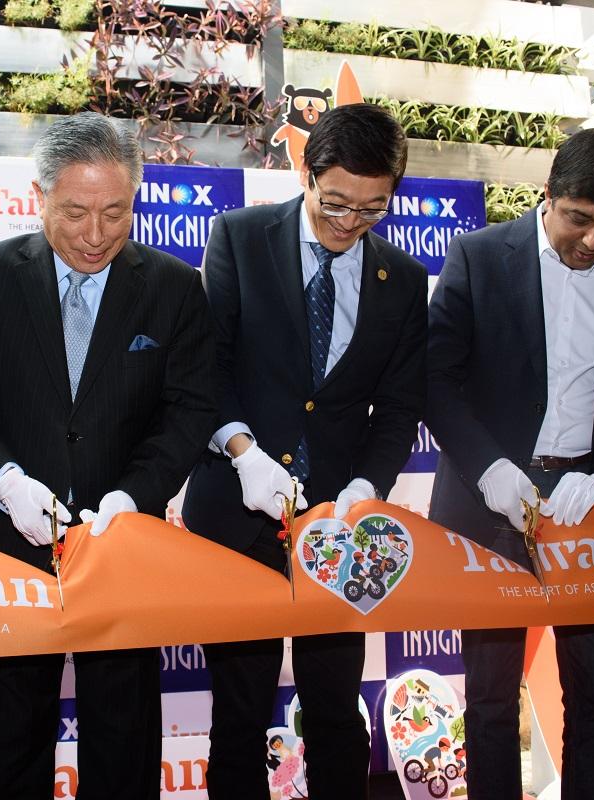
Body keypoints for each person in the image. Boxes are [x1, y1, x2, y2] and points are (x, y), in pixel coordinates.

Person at [0, 111, 216, 800]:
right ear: (40, 197)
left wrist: (133, 496)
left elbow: (189, 410)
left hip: (123, 548)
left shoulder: (174, 287)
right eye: (76, 213)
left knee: (124, 738)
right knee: (9, 738)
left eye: (115, 213)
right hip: (10, 544)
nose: (95, 234)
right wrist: (7, 482)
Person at [426, 127, 594, 799]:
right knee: (489, 697)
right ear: (548, 195)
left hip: (588, 507)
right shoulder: (480, 256)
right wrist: (490, 469)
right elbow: (436, 378)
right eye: (580, 219)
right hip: (490, 504)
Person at [182, 103, 427, 800]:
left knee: (335, 710)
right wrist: (243, 452)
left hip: (337, 527)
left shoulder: (403, 279)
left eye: (373, 209)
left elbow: (399, 407)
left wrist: (366, 486)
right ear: (307, 173)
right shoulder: (240, 237)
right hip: (237, 512)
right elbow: (206, 366)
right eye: (336, 202)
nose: (349, 223)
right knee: (240, 710)